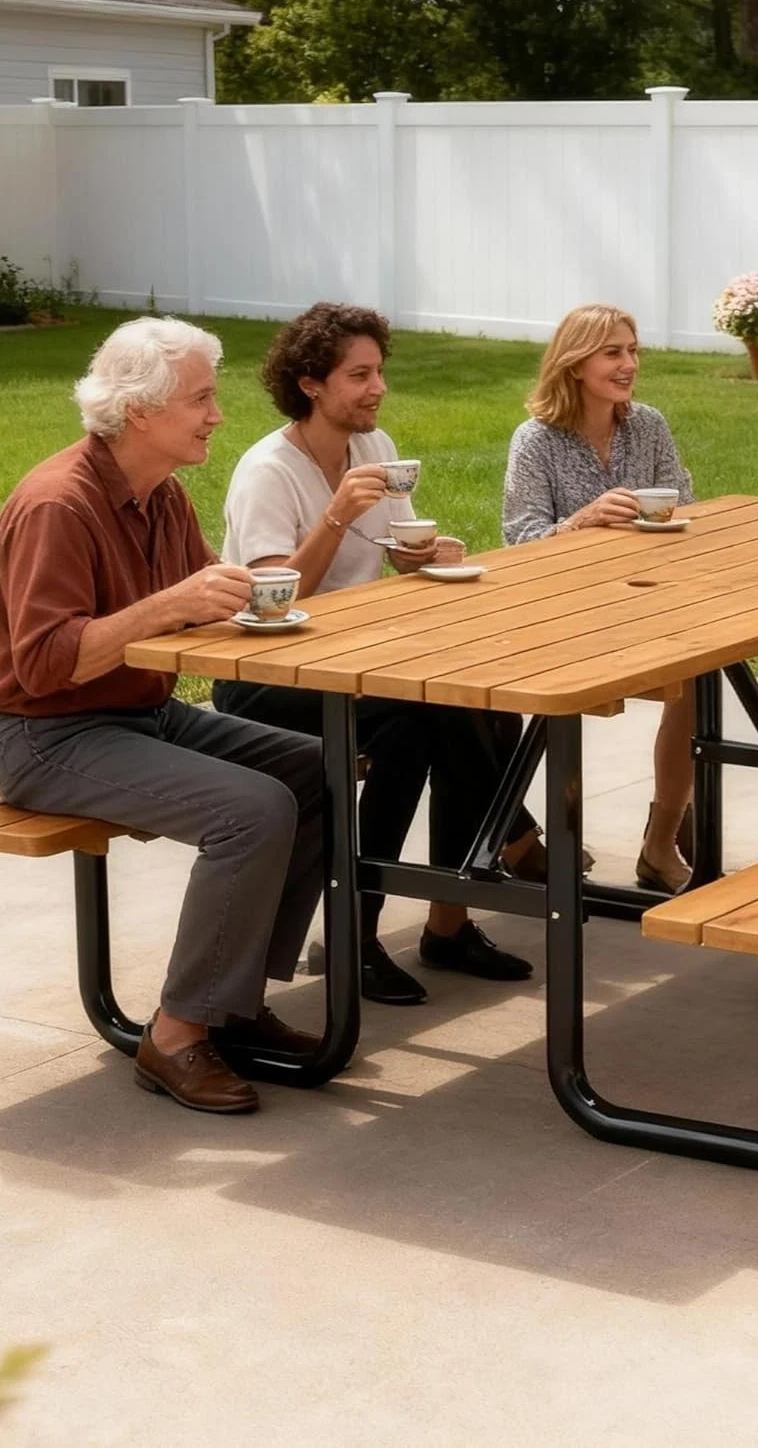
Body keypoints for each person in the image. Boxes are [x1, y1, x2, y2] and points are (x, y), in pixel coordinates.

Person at [0, 317, 323, 1116]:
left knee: (312, 765)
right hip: (44, 735)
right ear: (139, 411)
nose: (217, 414)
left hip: (135, 715)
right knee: (253, 808)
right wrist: (171, 606)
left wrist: (237, 600)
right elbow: (46, 664)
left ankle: (231, 1008)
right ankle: (176, 1034)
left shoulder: (159, 494)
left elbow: (197, 600)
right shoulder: (59, 504)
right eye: (201, 398)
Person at [212, 302, 540, 1008]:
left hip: (360, 658)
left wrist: (425, 556)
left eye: (379, 372)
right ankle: (383, 922)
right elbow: (274, 598)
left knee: (479, 706)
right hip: (268, 675)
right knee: (423, 720)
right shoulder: (269, 471)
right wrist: (335, 516)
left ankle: (445, 920)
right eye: (358, 375)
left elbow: (390, 558)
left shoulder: (376, 447)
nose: (377, 388)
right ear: (310, 383)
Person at [503, 303, 697, 894]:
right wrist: (579, 523)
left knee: (703, 672)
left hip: (648, 595)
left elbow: (687, 504)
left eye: (632, 351)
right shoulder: (536, 439)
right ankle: (549, 841)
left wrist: (664, 518)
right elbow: (519, 538)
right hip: (566, 610)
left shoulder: (649, 426)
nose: (628, 364)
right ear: (575, 362)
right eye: (613, 352)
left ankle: (661, 843)